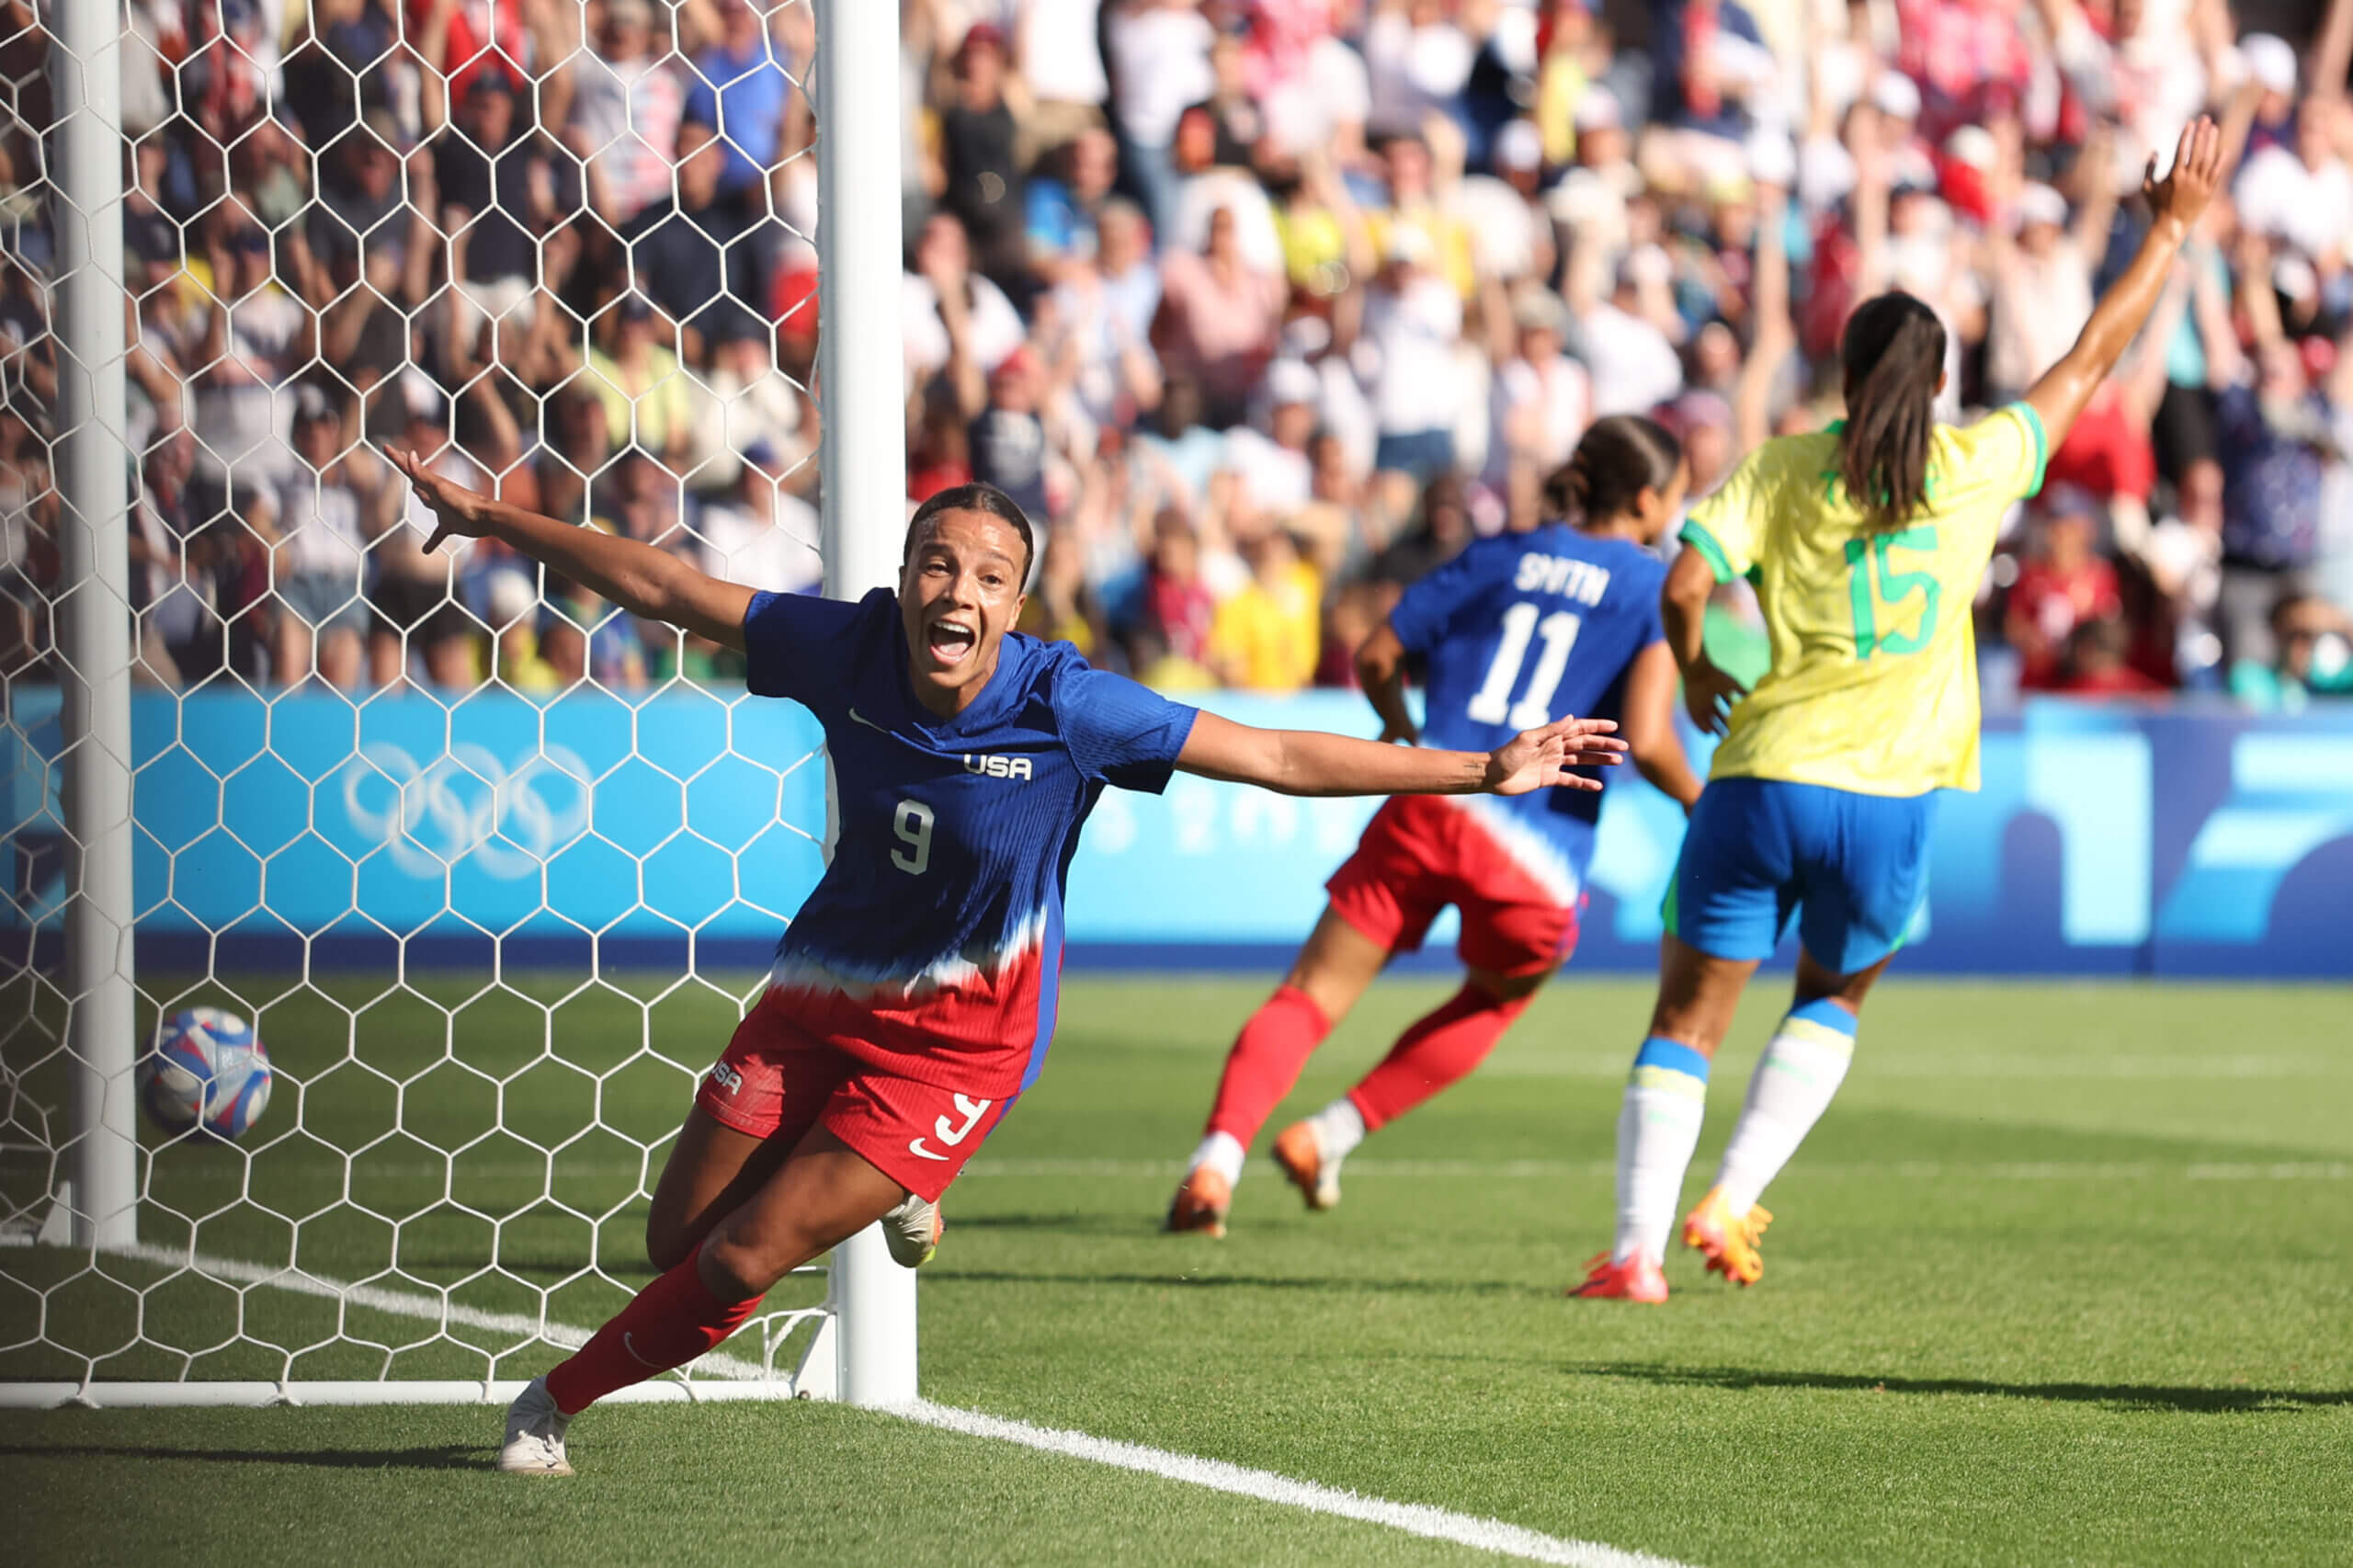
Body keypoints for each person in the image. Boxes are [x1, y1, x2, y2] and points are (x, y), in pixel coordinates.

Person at [381, 464, 1630, 1475]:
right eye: (939, 562)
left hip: (958, 1049)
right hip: (818, 997)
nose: (957, 589)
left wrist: (1481, 766)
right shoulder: (850, 648)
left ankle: (548, 1403)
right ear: (906, 575)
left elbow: (1281, 759)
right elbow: (667, 587)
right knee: (678, 1243)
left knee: (749, 1256)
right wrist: (492, 517)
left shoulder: (1069, 705)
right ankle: (896, 1190)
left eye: (989, 574)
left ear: (1017, 605)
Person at [1572, 119, 2228, 1304]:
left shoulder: (1778, 468)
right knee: (1829, 999)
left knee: (1687, 1014)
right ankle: (1735, 1193)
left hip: (1763, 770)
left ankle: (1634, 1252)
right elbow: (2089, 356)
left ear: (1838, 372)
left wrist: (1696, 663)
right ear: (1937, 384)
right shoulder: (1974, 464)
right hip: (1890, 793)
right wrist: (2169, 230)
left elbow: (1683, 578)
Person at [1166, 415, 1707, 1235]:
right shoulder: (1648, 586)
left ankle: (1215, 1163)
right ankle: (1330, 1133)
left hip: (1436, 796)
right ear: (1645, 498)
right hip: (1540, 850)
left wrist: (1402, 732)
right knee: (1494, 1001)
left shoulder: (1499, 553)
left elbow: (1377, 655)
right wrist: (1705, 806)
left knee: (1311, 994)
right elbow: (1652, 735)